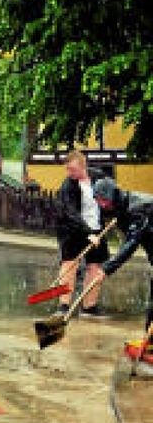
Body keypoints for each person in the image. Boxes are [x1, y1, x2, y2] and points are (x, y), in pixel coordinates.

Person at [94, 177, 153, 362]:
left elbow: (131, 244)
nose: (101, 205)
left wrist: (106, 269)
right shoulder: (120, 209)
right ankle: (150, 342)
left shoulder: (139, 208)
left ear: (112, 195)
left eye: (103, 200)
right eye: (98, 201)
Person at [55, 150, 109, 317]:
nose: (69, 173)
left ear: (83, 166)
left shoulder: (98, 178)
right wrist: (87, 234)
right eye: (68, 169)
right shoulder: (68, 185)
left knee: (95, 267)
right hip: (72, 230)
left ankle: (89, 306)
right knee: (69, 265)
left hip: (97, 229)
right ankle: (63, 306)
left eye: (72, 169)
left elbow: (110, 197)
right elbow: (70, 213)